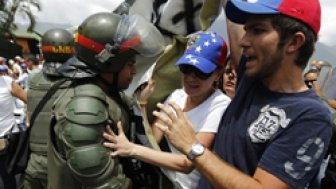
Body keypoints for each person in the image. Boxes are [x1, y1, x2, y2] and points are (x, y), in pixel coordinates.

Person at [151, 0, 333, 188]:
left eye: (258, 30)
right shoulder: (252, 79)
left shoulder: (311, 117)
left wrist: (193, 147)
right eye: (246, 30)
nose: (243, 41)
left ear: (294, 42)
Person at [46, 12, 165, 189]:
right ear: (109, 63)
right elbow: (102, 182)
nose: (133, 72)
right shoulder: (84, 107)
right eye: (130, 64)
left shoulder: (108, 92)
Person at [103, 31, 231, 189]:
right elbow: (153, 141)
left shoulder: (220, 106)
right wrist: (142, 103)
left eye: (201, 72)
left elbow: (188, 163)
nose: (191, 78)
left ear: (218, 73)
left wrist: (130, 149)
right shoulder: (177, 96)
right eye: (186, 68)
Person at [19, 28, 75, 189]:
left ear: (43, 53)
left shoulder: (33, 79)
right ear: (72, 52)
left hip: (34, 161)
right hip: (62, 163)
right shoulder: (77, 82)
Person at [0, 65, 27, 189]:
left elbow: (29, 100)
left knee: (7, 177)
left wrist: (28, 119)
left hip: (5, 139)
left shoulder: (7, 83)